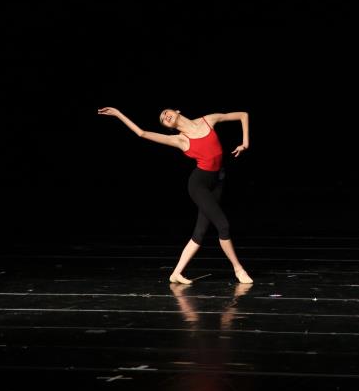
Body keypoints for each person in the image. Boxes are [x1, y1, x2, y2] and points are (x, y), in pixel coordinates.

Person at [97, 107, 254, 284]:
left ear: (177, 111)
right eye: (163, 119)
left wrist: (245, 143)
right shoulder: (179, 139)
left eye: (166, 112)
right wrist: (118, 114)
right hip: (199, 185)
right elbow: (142, 133)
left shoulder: (208, 120)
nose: (165, 116)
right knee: (223, 226)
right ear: (168, 127)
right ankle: (238, 269)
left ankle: (176, 274)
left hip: (218, 181)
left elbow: (243, 115)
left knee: (200, 232)